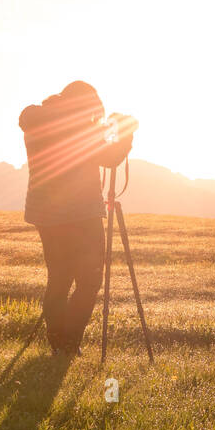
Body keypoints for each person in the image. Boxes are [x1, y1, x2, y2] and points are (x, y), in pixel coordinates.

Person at [19, 81, 136, 356]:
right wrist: (125, 132)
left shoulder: (37, 118)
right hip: (80, 213)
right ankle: (68, 343)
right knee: (90, 279)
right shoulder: (80, 127)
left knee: (59, 277)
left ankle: (59, 341)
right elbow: (110, 157)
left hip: (45, 214)